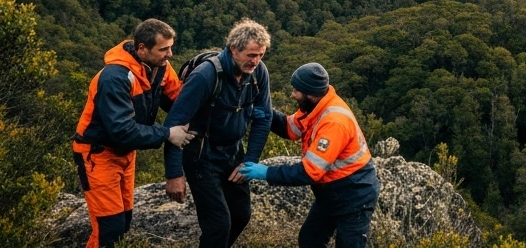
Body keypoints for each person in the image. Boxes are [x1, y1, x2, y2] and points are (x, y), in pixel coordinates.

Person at [73, 19, 196, 248]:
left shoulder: (160, 68)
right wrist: (167, 133)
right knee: (109, 228)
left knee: (124, 221)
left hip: (126, 154)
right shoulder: (114, 78)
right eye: (163, 49)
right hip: (98, 154)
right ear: (142, 48)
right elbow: (122, 131)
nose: (169, 54)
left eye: (171, 47)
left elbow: (178, 100)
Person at [238, 63, 379, 248]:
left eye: (297, 91)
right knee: (310, 240)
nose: (292, 94)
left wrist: (266, 173)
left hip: (354, 194)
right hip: (330, 193)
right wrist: (267, 113)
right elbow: (291, 128)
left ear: (310, 94)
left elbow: (309, 172)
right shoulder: (314, 108)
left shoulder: (334, 122)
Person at [163, 18, 274, 247]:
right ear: (234, 49)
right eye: (251, 55)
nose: (256, 61)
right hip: (201, 154)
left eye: (260, 55)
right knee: (218, 224)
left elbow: (263, 117)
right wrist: (174, 174)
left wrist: (250, 161)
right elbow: (174, 123)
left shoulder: (258, 73)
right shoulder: (206, 75)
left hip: (233, 152)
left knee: (241, 216)